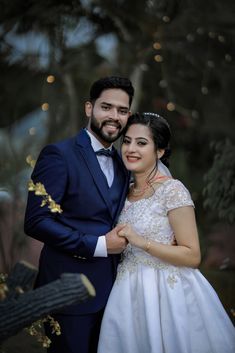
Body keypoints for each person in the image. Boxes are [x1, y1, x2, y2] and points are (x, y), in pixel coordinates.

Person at [98, 112, 235, 353]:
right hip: (127, 294)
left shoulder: (172, 190)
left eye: (142, 143)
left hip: (168, 293)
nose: (131, 148)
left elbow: (193, 256)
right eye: (127, 141)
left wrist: (142, 242)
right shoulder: (123, 192)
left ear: (159, 151)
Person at [24, 76, 135, 353]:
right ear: (89, 108)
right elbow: (36, 221)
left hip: (116, 295)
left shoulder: (125, 163)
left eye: (122, 111)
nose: (114, 117)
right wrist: (98, 245)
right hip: (68, 293)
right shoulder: (57, 155)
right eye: (106, 107)